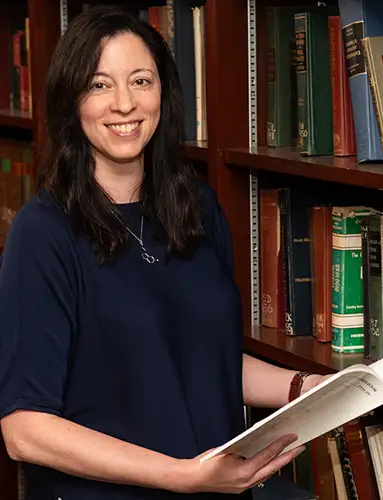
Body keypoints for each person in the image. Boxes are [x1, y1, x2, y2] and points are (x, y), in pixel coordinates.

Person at [0, 5, 328, 499]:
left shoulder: (195, 204)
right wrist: (184, 476)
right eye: (99, 85)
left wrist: (305, 388)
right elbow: (25, 430)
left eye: (140, 81)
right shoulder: (43, 233)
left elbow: (205, 356)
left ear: (164, 93)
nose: (124, 104)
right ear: (71, 101)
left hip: (217, 486)